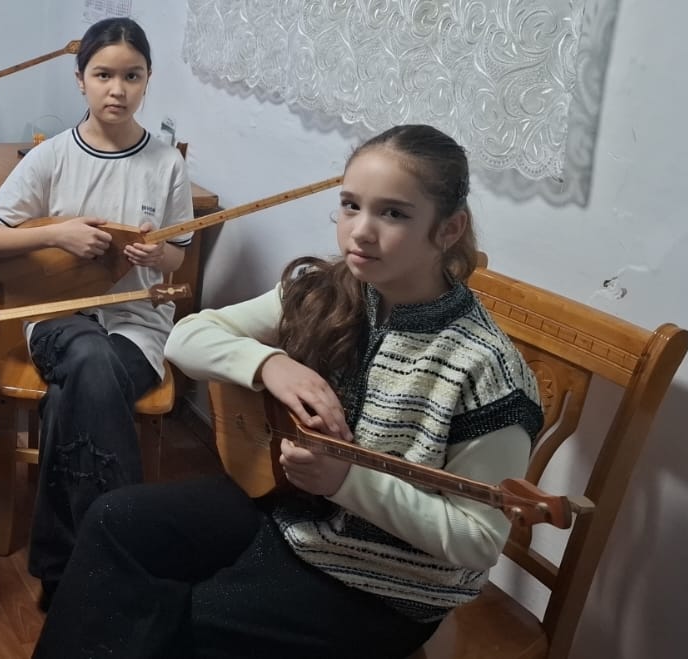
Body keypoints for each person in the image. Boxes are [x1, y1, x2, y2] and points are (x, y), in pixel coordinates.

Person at [32, 124, 545, 659]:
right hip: (291, 513)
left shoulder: (485, 369)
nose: (360, 232)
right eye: (350, 206)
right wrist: (268, 364)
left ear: (449, 228)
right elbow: (186, 338)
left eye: (393, 213)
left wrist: (346, 481)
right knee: (113, 521)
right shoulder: (331, 290)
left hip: (385, 585)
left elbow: (478, 540)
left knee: (183, 625)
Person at [0, 16, 192, 609]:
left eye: (132, 76)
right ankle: (122, 556)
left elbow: (177, 254)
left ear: (148, 80)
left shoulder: (167, 163)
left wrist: (156, 253)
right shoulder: (52, 157)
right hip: (56, 315)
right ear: (80, 79)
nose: (117, 89)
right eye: (103, 75)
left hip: (137, 325)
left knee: (77, 389)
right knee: (88, 357)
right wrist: (59, 233)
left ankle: (65, 566)